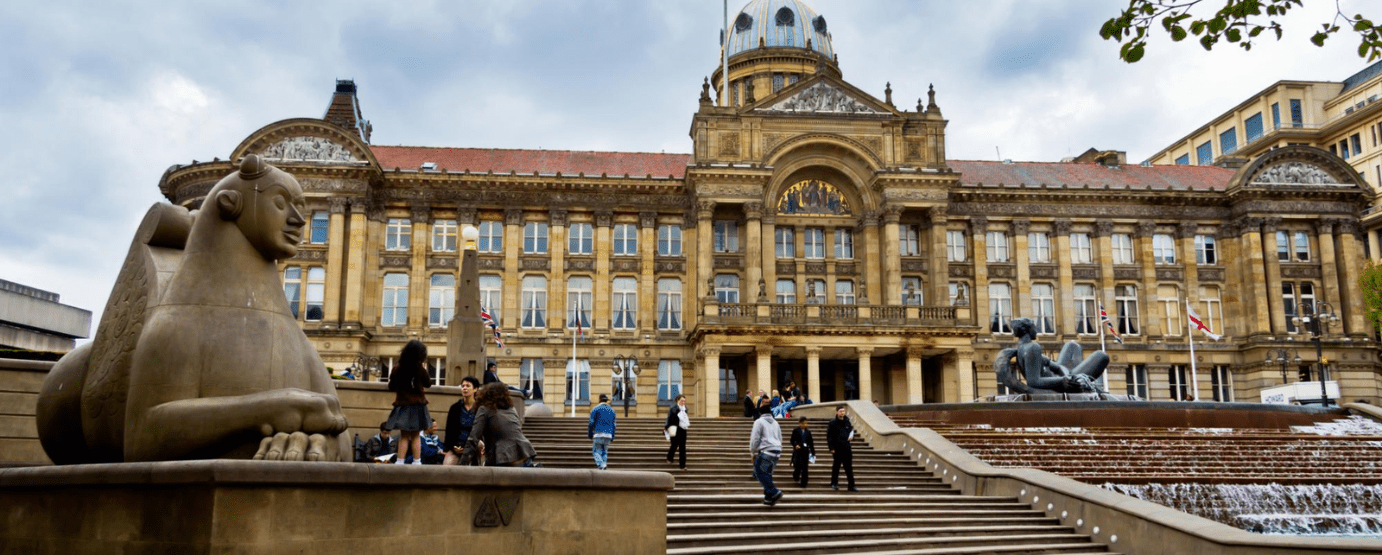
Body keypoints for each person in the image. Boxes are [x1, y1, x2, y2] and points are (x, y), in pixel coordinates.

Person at [466, 382, 540, 467]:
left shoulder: (484, 409)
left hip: (505, 456)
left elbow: (473, 437)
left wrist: (462, 463)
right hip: (524, 453)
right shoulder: (511, 409)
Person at [385, 340, 432, 465]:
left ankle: (400, 461)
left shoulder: (397, 368)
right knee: (416, 435)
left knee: (404, 435)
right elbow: (428, 383)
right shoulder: (420, 369)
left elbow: (391, 386)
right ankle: (417, 461)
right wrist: (423, 369)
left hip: (403, 404)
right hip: (418, 405)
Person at [750, 397, 784, 506]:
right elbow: (780, 437)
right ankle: (769, 498)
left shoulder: (759, 422)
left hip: (766, 451)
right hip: (776, 451)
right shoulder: (776, 423)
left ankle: (774, 491)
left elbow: (755, 439)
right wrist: (778, 448)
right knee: (767, 474)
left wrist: (752, 452)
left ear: (761, 413)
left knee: (758, 472)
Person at [443, 375, 481, 466]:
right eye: (463, 386)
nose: (464, 388)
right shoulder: (455, 408)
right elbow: (449, 430)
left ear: (475, 389)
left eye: (468, 386)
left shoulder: (480, 408)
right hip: (456, 447)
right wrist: (453, 446)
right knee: (446, 468)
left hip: (474, 446)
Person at [827, 405, 858, 492]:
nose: (842, 413)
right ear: (837, 412)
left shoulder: (847, 422)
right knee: (836, 467)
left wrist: (852, 437)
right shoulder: (832, 423)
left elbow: (851, 432)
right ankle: (834, 483)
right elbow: (829, 436)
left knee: (849, 468)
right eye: (840, 411)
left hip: (846, 447)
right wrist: (831, 447)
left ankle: (851, 485)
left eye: (843, 411)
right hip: (837, 448)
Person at [588, 393, 617, 470]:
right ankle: (604, 464)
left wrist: (590, 433)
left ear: (599, 399)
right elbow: (614, 425)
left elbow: (591, 422)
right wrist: (613, 435)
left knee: (596, 451)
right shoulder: (612, 410)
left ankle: (601, 465)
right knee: (605, 451)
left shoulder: (595, 409)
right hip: (608, 434)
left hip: (598, 433)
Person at [665, 394, 690, 470]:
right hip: (675, 429)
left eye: (684, 401)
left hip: (683, 429)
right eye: (681, 400)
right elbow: (669, 418)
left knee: (682, 448)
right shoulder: (673, 408)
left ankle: (682, 465)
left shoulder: (685, 409)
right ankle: (670, 458)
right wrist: (666, 427)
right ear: (677, 401)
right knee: (674, 445)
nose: (683, 402)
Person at [790, 416, 816, 487]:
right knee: (798, 466)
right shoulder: (796, 430)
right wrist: (796, 445)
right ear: (800, 423)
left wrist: (813, 452)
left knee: (805, 467)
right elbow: (792, 440)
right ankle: (796, 475)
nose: (805, 425)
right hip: (798, 451)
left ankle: (804, 482)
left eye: (806, 423)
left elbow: (811, 442)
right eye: (803, 423)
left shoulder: (808, 432)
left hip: (805, 452)